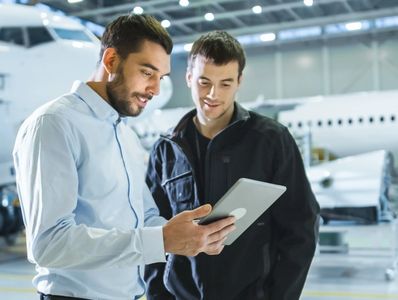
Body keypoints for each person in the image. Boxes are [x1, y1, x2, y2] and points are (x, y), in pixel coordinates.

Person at [13, 15, 236, 300]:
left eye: (161, 77)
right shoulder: (55, 123)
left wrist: (192, 236)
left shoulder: (125, 135)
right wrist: (161, 239)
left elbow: (144, 217)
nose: (155, 89)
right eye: (147, 72)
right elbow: (49, 244)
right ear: (111, 61)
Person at [144, 30, 320, 300]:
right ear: (189, 78)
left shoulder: (271, 140)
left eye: (225, 83)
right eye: (204, 82)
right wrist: (158, 296)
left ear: (239, 82)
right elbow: (152, 231)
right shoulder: (166, 149)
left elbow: (301, 228)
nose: (213, 94)